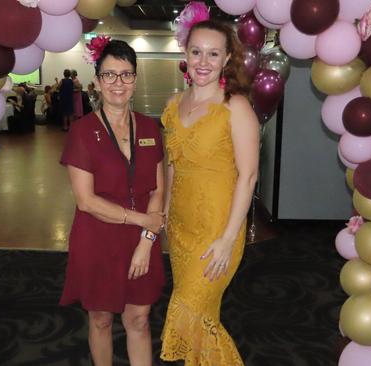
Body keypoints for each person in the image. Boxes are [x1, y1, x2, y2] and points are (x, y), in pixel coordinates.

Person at [159, 3, 259, 365]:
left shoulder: (236, 107)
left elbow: (248, 176)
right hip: (182, 228)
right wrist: (166, 212)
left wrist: (229, 238)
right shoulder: (173, 104)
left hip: (218, 229)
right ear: (185, 52)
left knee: (189, 308)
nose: (203, 61)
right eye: (196, 51)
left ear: (227, 57)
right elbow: (173, 164)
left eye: (213, 54)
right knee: (201, 318)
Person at [59, 38, 167, 366]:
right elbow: (86, 201)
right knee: (101, 320)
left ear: (135, 79)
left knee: (138, 320)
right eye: (109, 75)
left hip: (142, 241)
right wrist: (143, 222)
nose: (118, 83)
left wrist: (147, 242)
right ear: (96, 80)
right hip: (98, 237)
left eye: (126, 75)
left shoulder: (150, 127)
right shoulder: (81, 131)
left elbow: (159, 192)